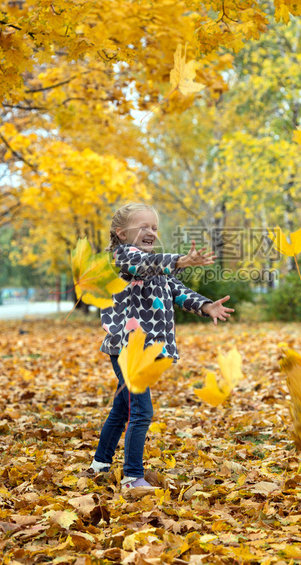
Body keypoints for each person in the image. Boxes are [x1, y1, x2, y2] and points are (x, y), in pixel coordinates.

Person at [89, 203, 234, 490]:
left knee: (122, 408)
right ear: (121, 232)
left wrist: (205, 305)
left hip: (147, 348)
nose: (151, 232)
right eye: (143, 227)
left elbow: (177, 290)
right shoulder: (121, 258)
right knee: (141, 411)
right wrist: (181, 260)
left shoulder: (157, 264)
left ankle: (99, 465)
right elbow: (144, 265)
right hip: (129, 347)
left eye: (154, 228)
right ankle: (132, 477)